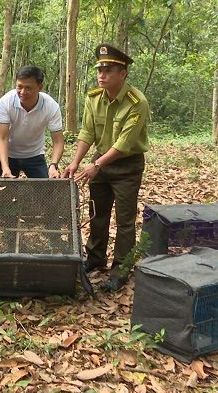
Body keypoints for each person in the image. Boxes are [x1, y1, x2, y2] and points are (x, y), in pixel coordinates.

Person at [63, 44, 150, 292]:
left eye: (108, 70)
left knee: (124, 220)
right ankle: (95, 258)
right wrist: (75, 162)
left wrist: (95, 165)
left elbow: (124, 144)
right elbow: (87, 132)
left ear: (123, 73)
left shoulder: (137, 102)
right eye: (99, 69)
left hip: (127, 166)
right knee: (97, 214)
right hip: (99, 162)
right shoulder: (93, 98)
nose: (101, 75)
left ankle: (121, 269)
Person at [0, 66, 64, 178]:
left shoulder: (51, 106)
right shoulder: (6, 101)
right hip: (9, 154)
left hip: (35, 154)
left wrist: (53, 165)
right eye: (19, 87)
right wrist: (5, 167)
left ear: (40, 87)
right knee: (6, 192)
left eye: (28, 88)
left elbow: (58, 141)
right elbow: (2, 138)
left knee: (44, 191)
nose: (22, 92)